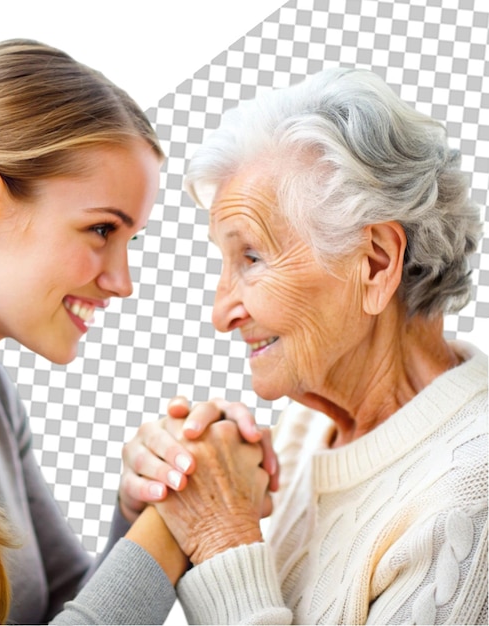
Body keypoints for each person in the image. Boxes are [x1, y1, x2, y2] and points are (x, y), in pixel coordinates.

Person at [0, 38, 271, 625]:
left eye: (129, 242)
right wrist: (188, 505)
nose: (123, 282)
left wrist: (142, 504)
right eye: (102, 229)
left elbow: (57, 608)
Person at [136, 67, 487, 624]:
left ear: (374, 264)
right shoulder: (305, 429)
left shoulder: (471, 496)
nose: (220, 312)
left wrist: (224, 539)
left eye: (250, 258)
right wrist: (168, 497)